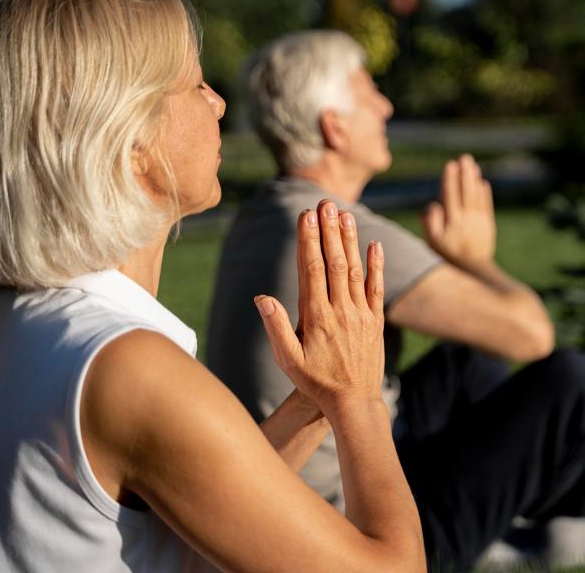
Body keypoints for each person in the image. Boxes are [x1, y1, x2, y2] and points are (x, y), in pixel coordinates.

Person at [0, 0, 426, 573]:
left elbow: (188, 527)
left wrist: (313, 402)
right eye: (194, 84)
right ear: (128, 139)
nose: (219, 102)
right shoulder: (127, 366)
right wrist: (360, 398)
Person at [206, 30, 585, 571]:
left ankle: (529, 517)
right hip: (349, 525)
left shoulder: (263, 214)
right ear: (333, 126)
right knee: (570, 382)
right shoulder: (336, 227)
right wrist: (474, 258)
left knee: (468, 365)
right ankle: (537, 527)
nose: (386, 105)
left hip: (294, 487)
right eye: (369, 92)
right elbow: (531, 334)